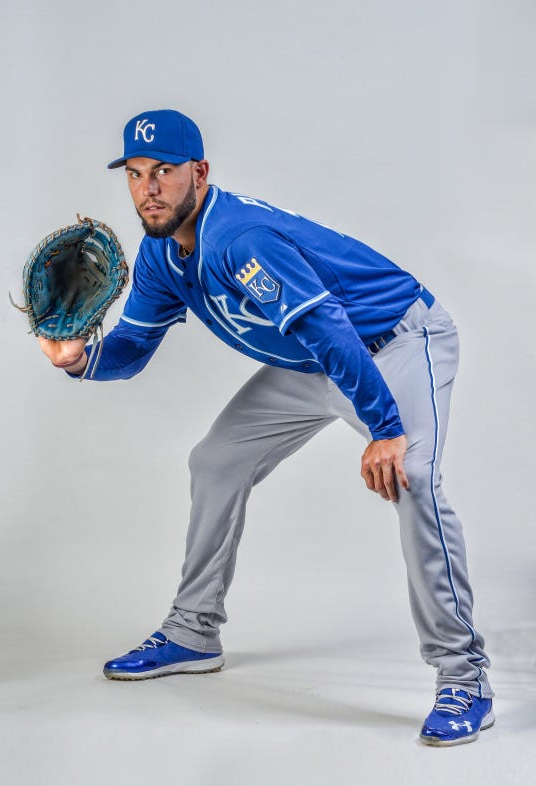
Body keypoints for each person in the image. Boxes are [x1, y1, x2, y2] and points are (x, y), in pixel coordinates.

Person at [38, 109, 494, 746]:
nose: (148, 189)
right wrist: (80, 359)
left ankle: (463, 678)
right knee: (215, 460)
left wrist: (384, 426)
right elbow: (132, 349)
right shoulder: (160, 254)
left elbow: (331, 327)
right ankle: (193, 632)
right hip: (315, 358)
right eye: (136, 174)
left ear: (199, 171)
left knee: (412, 476)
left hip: (392, 342)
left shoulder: (238, 238)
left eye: (164, 172)